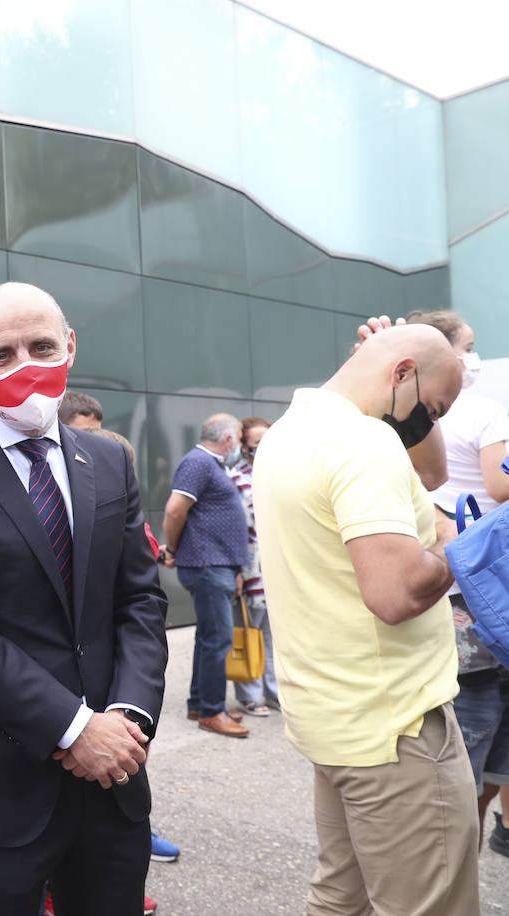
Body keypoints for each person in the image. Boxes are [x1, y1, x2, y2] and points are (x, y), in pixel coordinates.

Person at [0, 281, 168, 915]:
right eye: (2, 354)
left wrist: (129, 717)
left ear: (69, 346)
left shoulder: (110, 461)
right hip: (0, 781)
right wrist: (75, 729)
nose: (25, 366)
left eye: (42, 346)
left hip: (115, 772)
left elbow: (139, 602)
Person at [253, 323, 477, 915]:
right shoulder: (363, 443)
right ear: (402, 371)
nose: (426, 427)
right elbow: (396, 593)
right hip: (395, 723)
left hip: (335, 720)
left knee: (340, 897)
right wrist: (461, 547)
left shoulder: (287, 432)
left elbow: (428, 476)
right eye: (430, 411)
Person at [407, 309, 509, 850]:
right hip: (484, 583)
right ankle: (461, 839)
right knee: (483, 709)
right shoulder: (486, 412)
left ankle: (453, 838)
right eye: (467, 345)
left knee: (457, 708)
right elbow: (500, 487)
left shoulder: (401, 417)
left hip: (435, 585)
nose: (473, 355)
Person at [161, 414, 250, 738]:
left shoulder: (210, 464)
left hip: (218, 566)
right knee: (218, 641)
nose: (239, 446)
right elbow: (174, 510)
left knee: (209, 639)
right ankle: (213, 712)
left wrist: (236, 568)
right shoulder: (199, 462)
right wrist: (171, 548)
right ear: (228, 439)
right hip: (207, 566)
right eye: (239, 439)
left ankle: (200, 703)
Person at [228, 417, 280, 716]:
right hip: (251, 569)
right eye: (255, 444)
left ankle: (273, 691)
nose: (261, 449)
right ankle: (250, 695)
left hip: (278, 567)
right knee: (248, 631)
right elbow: (236, 528)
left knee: (275, 634)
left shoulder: (280, 476)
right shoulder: (235, 478)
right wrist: (238, 569)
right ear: (244, 446)